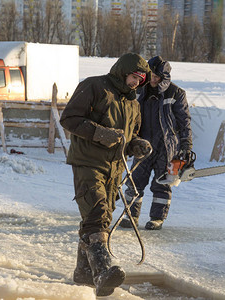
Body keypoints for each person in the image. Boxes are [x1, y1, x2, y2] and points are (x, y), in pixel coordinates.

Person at [59, 53, 152, 296]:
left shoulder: (133, 103)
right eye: (134, 77)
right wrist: (102, 133)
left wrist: (137, 145)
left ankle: (84, 273)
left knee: (98, 218)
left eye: (140, 80)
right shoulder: (94, 86)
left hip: (114, 169)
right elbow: (69, 119)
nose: (136, 83)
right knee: (97, 211)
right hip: (88, 162)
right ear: (124, 72)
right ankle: (102, 272)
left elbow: (128, 137)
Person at [120, 55, 193, 231]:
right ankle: (131, 216)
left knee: (162, 184)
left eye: (157, 77)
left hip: (167, 148)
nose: (152, 80)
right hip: (143, 146)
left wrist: (186, 147)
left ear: (164, 78)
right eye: (151, 75)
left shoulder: (176, 94)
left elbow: (185, 122)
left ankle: (157, 218)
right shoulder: (139, 91)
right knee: (135, 182)